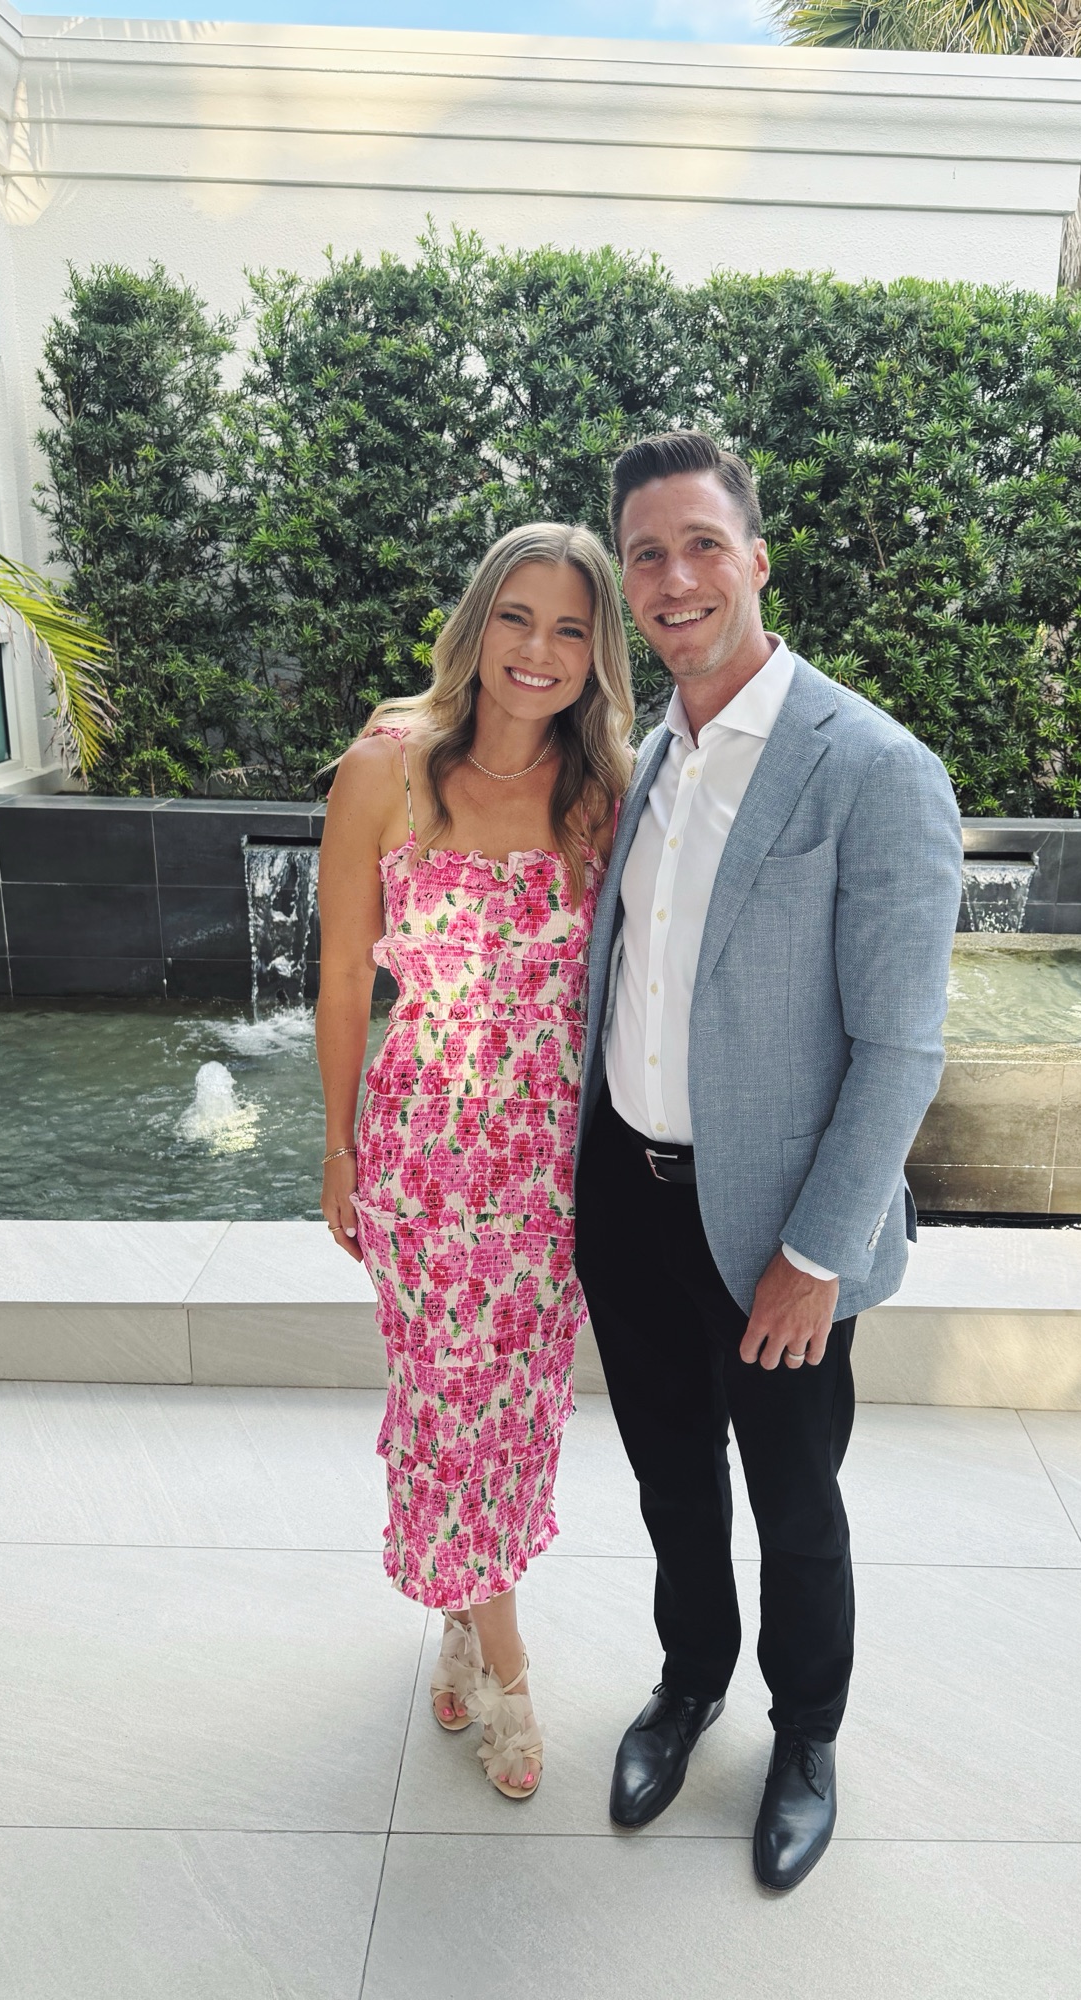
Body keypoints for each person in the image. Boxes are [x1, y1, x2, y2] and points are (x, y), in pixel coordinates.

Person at [574, 431, 962, 1889]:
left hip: (778, 1232)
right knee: (672, 1481)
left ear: (756, 558)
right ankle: (690, 1683)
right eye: (647, 555)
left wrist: (815, 1257)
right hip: (629, 1204)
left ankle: (806, 1734)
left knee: (796, 1506)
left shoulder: (873, 767)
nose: (673, 578)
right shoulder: (649, 758)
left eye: (700, 545)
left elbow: (902, 1050)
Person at [317, 521, 633, 1802]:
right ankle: (507, 1670)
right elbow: (344, 981)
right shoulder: (384, 770)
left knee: (513, 1413)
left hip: (550, 1164)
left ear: (597, 652)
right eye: (516, 616)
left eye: (570, 628)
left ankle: (460, 1613)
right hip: (423, 1154)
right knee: (447, 1402)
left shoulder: (602, 792)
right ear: (476, 621)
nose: (538, 650)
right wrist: (336, 1147)